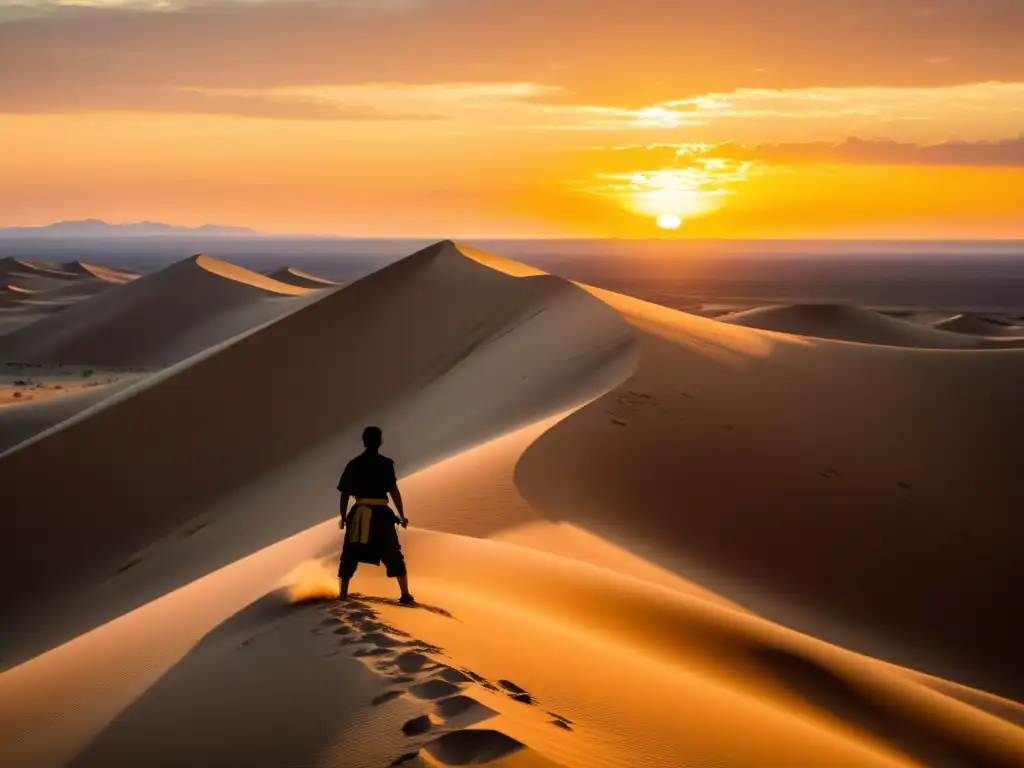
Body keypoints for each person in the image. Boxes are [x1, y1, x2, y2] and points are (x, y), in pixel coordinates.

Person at [337, 426, 414, 604]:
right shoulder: (386, 464)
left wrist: (343, 517)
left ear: (364, 441)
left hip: (359, 515)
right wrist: (401, 515)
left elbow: (344, 494)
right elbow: (394, 491)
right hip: (381, 515)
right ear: (380, 441)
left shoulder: (354, 464)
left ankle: (342, 594)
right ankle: (405, 594)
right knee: (392, 552)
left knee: (350, 552)